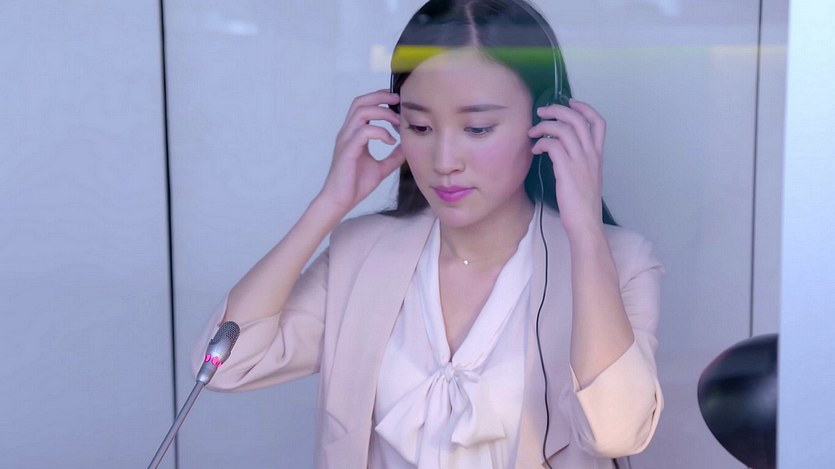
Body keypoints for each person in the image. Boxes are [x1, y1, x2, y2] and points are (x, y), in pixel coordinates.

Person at [195, 0, 663, 467]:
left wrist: (585, 230)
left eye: (477, 128)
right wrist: (329, 205)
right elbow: (224, 367)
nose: (444, 161)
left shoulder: (621, 262)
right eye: (419, 127)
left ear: (546, 120)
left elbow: (616, 433)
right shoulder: (362, 253)